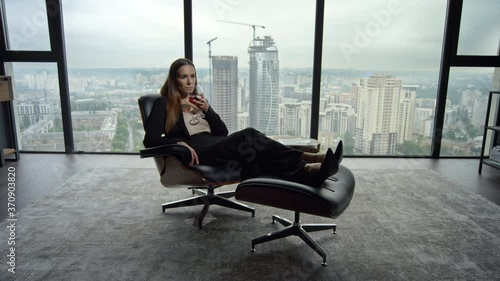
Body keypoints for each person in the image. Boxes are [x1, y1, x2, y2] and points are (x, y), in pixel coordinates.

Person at [143, 58, 340, 186]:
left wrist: (208, 110)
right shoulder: (164, 103)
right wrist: (178, 143)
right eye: (183, 77)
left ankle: (309, 172)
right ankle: (309, 159)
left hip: (215, 145)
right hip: (197, 152)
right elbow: (149, 141)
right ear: (174, 80)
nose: (189, 82)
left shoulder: (198, 101)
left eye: (193, 76)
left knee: (258, 154)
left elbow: (222, 131)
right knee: (250, 136)